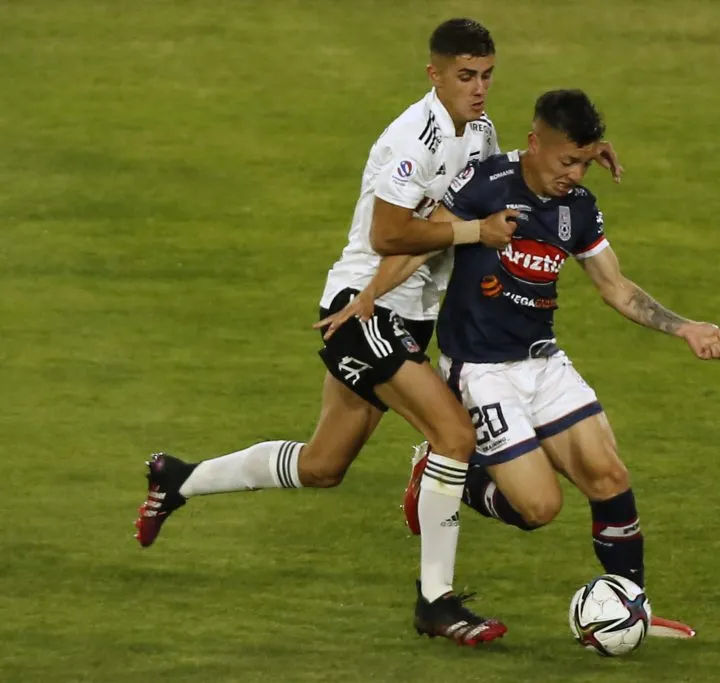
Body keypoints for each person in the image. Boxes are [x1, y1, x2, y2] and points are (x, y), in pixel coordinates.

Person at [135, 18, 520, 647]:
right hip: (362, 311)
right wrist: (473, 235)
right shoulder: (411, 139)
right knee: (452, 433)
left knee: (322, 466)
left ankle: (177, 478)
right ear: (435, 74)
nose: (478, 89)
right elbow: (388, 236)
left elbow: (484, 193)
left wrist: (570, 158)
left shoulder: (478, 133)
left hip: (407, 316)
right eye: (465, 76)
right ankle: (436, 603)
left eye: (486, 76)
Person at [318, 89, 720, 639]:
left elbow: (614, 285)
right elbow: (420, 245)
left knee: (609, 475)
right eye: (567, 161)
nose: (574, 174)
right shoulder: (487, 184)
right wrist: (370, 293)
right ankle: (452, 476)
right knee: (539, 508)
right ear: (535, 144)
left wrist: (685, 327)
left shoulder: (578, 208)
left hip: (543, 362)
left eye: (584, 162)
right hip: (483, 371)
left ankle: (630, 603)